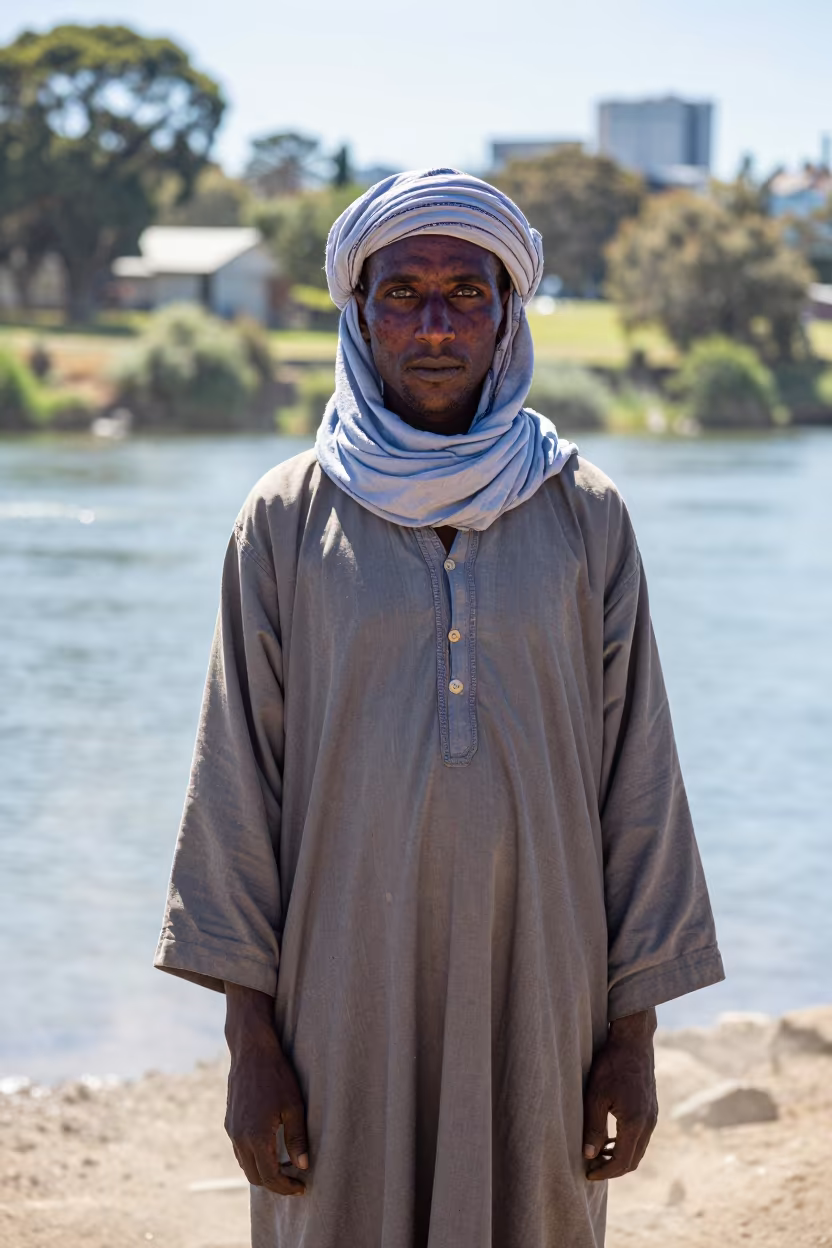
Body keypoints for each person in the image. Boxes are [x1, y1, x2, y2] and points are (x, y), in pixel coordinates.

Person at [155, 169, 724, 1248]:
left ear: (509, 317)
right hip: (337, 994)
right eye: (399, 292)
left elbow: (636, 777)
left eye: (466, 294)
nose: (431, 324)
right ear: (356, 313)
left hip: (542, 985)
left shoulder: (583, 514)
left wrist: (632, 1035)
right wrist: (250, 1044)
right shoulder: (283, 519)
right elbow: (235, 781)